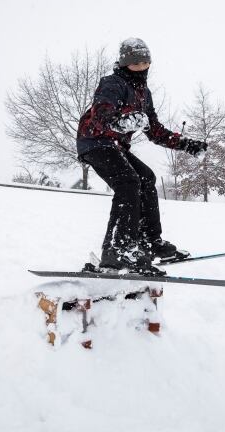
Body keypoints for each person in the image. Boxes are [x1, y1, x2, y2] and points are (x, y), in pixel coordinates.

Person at [76, 38, 207, 275]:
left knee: (146, 177)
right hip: (94, 141)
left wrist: (185, 144)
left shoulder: (143, 94)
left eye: (145, 61)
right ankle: (118, 250)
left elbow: (154, 131)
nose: (142, 66)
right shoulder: (112, 84)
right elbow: (100, 117)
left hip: (115, 145)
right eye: (136, 62)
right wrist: (122, 121)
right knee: (128, 182)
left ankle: (149, 241)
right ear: (125, 63)